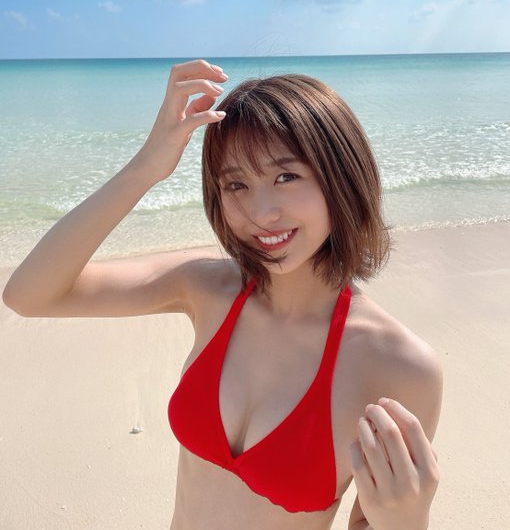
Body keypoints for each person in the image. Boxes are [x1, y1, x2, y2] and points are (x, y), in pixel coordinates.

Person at [3, 59, 443, 530]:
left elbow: (373, 521)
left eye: (286, 176)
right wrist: (146, 168)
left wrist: (408, 522)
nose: (261, 212)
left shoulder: (398, 365)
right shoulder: (206, 288)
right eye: (236, 184)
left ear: (341, 174)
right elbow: (30, 295)